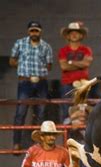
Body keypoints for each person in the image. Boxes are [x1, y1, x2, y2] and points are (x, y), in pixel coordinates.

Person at [10, 21, 53, 152]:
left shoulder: (46, 46)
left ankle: (40, 143)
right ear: (28, 31)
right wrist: (23, 66)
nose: (34, 33)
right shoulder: (20, 43)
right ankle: (16, 143)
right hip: (25, 81)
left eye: (36, 31)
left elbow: (49, 65)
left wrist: (40, 70)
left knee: (41, 112)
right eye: (32, 30)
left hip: (41, 81)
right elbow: (12, 60)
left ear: (40, 32)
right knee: (20, 112)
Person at [58, 21, 93, 123]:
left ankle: (82, 137)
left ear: (81, 35)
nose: (74, 34)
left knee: (82, 110)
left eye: (76, 32)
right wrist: (79, 64)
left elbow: (86, 64)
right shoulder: (63, 50)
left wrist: (71, 62)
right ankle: (66, 135)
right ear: (68, 36)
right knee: (66, 110)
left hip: (83, 84)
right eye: (71, 32)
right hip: (67, 84)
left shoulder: (86, 49)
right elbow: (63, 66)